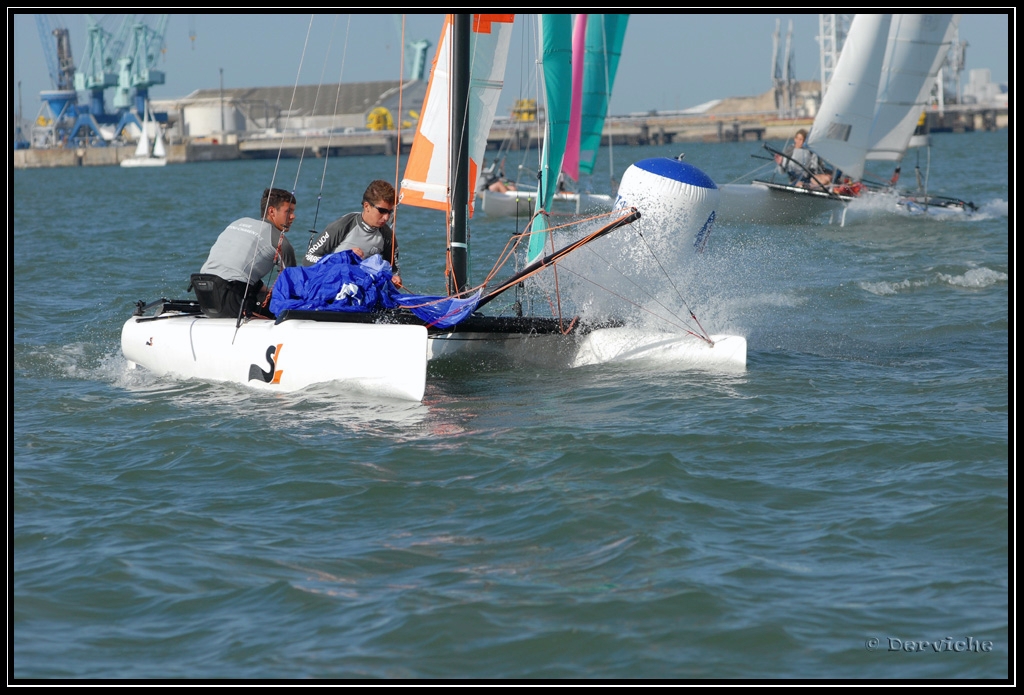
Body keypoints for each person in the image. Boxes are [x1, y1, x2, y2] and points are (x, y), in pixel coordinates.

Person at [190, 187, 297, 319]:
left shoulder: (239, 222)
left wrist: (266, 290)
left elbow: (236, 268)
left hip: (203, 294)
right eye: (288, 211)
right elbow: (292, 286)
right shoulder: (281, 242)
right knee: (288, 305)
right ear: (271, 211)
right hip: (231, 299)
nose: (293, 216)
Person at [303, 179, 402, 288]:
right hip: (333, 286)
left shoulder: (388, 235)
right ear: (366, 206)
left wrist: (395, 279)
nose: (386, 217)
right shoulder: (343, 226)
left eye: (390, 212)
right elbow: (308, 259)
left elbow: (394, 271)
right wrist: (343, 256)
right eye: (382, 211)